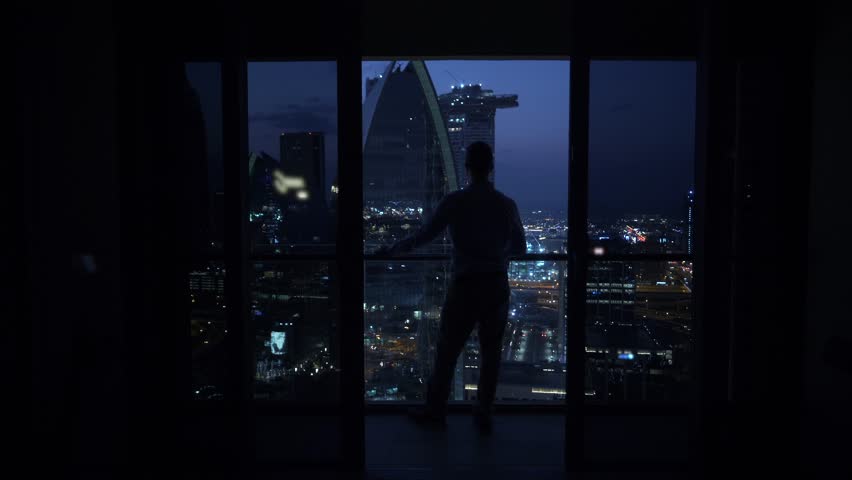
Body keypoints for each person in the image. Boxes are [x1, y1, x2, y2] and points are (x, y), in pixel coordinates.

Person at [374, 141, 526, 435]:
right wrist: (498, 253)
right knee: (491, 353)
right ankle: (483, 411)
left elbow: (424, 236)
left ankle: (435, 410)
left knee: (447, 351)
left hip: (466, 285)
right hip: (495, 284)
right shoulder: (506, 204)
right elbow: (519, 247)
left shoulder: (455, 201)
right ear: (491, 167)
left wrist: (392, 250)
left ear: (467, 167)